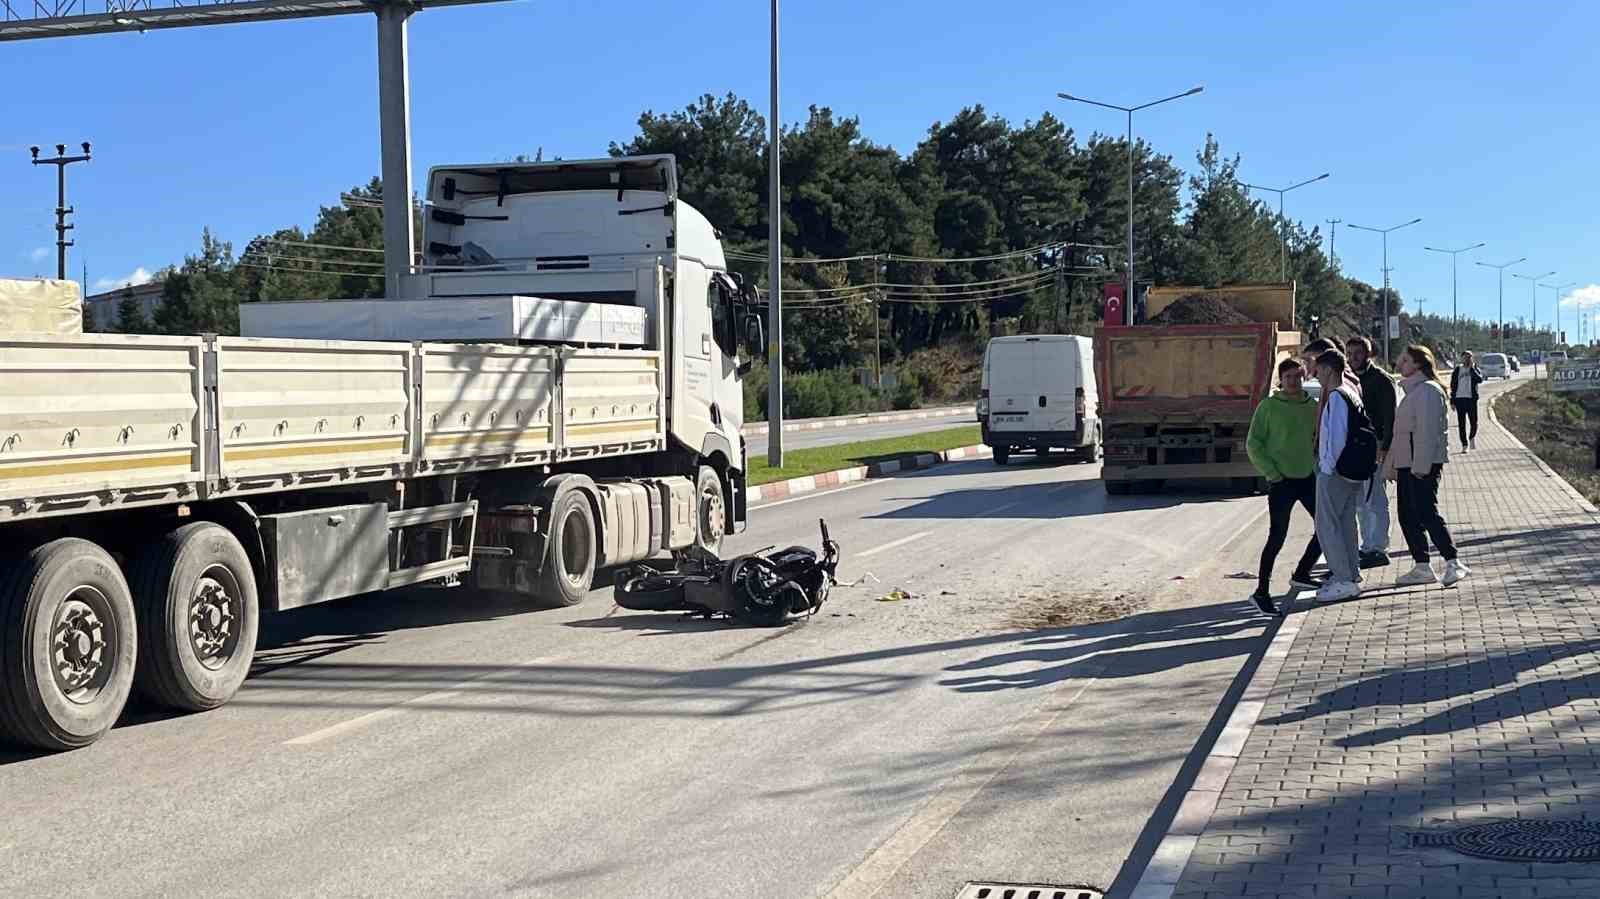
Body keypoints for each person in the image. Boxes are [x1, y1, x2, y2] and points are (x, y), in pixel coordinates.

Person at [1387, 344, 1470, 586]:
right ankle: (1422, 566)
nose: (1399, 364)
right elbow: (1402, 433)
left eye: (1405, 360)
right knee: (1407, 515)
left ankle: (1453, 562)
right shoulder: (1414, 391)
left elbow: (1426, 433)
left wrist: (1420, 468)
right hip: (1409, 463)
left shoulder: (1428, 391)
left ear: (1418, 364)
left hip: (1421, 464)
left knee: (1426, 512)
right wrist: (1393, 464)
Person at [1245, 358, 1323, 615]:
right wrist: (1271, 473)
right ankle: (1261, 592)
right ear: (1281, 379)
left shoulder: (1312, 406)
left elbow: (1318, 439)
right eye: (1288, 376)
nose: (1293, 381)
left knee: (1326, 528)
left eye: (1297, 376)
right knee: (1277, 536)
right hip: (1281, 481)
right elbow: (1253, 443)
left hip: (1308, 477)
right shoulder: (1269, 406)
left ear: (1304, 377)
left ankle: (1302, 572)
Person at [1312, 349, 1366, 602]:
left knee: (1327, 526)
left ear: (1329, 370)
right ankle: (1351, 574)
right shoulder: (1351, 392)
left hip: (1335, 472)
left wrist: (1327, 468)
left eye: (1318, 370)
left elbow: (1335, 438)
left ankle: (1343, 579)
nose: (1316, 375)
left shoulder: (1336, 397)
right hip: (1352, 471)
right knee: (1345, 524)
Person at [1346, 336, 1398, 570]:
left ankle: (1378, 547)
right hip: (1354, 447)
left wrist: (1385, 447)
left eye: (1358, 353)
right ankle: (1367, 545)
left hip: (1376, 446)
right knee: (1359, 501)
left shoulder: (1381, 380)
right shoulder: (1348, 378)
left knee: (1375, 499)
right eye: (1349, 353)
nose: (1353, 357)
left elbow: (1390, 417)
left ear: (1368, 354)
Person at [1450, 351, 1485, 452]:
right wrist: (1452, 401)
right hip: (1459, 399)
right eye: (1465, 357)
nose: (1467, 359)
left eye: (1469, 357)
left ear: (1472, 359)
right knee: (1461, 424)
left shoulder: (1475, 369)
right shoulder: (1457, 370)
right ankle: (1464, 445)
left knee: (1474, 422)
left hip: (1471, 400)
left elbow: (1480, 380)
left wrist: (1472, 369)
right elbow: (1453, 386)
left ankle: (1471, 437)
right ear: (1462, 358)